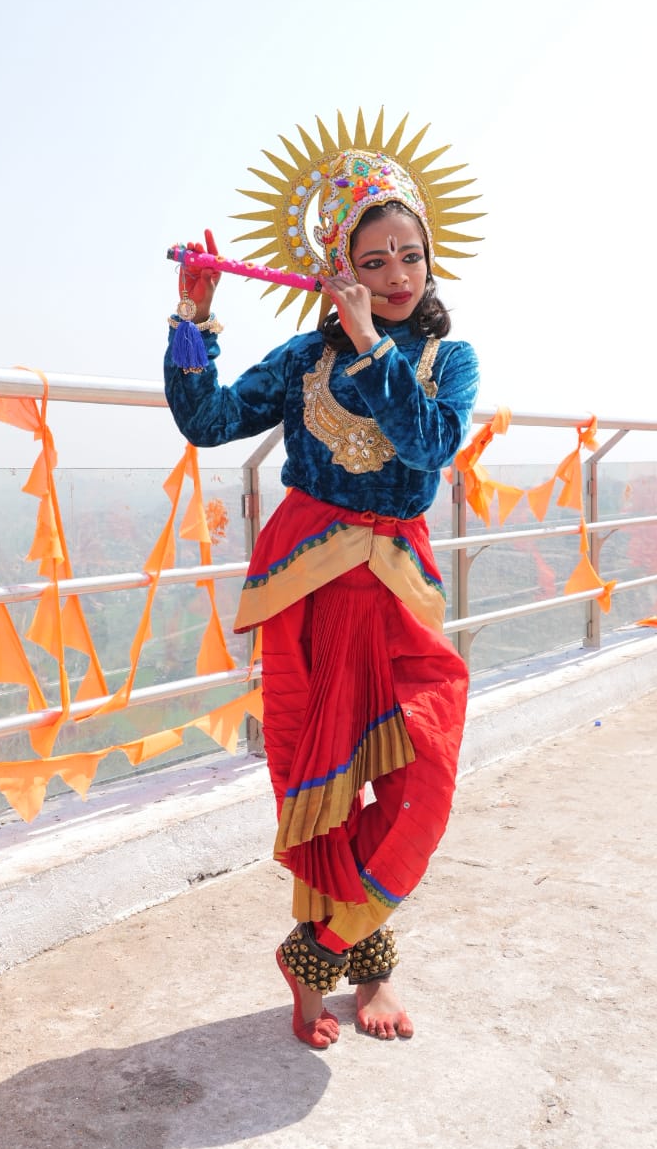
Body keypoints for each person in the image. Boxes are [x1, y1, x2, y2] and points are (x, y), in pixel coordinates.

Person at [164, 126, 481, 1048]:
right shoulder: (304, 365)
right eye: (372, 259)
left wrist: (367, 342)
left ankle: (323, 950)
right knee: (323, 789)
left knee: (421, 778)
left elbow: (427, 445)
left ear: (431, 259)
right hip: (307, 596)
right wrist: (193, 317)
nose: (394, 275)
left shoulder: (444, 362)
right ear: (337, 264)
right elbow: (208, 420)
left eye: (409, 255)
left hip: (399, 599)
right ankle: (349, 973)